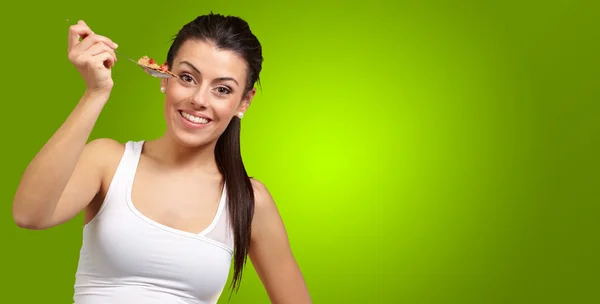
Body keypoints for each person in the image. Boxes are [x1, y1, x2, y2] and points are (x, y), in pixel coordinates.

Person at [12, 13, 311, 304]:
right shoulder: (108, 161)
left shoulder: (248, 200)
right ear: (164, 77)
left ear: (244, 102)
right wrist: (96, 92)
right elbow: (29, 215)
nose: (199, 99)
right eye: (187, 77)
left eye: (222, 89)